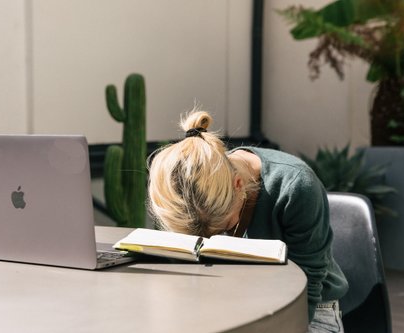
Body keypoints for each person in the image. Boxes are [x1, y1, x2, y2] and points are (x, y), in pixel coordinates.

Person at [147, 109, 349, 333]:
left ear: (238, 185)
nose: (211, 239)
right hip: (232, 301)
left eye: (224, 227)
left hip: (307, 309)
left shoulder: (295, 187)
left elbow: (308, 288)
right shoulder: (191, 189)